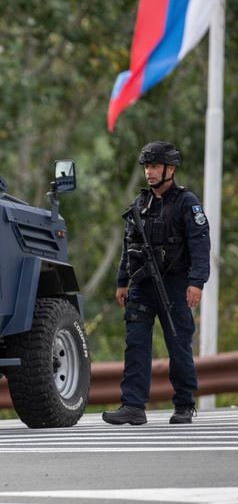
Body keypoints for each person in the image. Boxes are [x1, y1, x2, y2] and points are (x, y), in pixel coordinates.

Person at [103, 141, 210, 426]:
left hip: (175, 284)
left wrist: (197, 282)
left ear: (170, 169)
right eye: (147, 167)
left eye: (154, 166)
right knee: (136, 344)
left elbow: (200, 243)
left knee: (178, 342)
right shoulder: (139, 204)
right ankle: (133, 406)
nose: (149, 172)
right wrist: (122, 281)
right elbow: (128, 246)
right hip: (142, 283)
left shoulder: (187, 202)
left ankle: (184, 404)